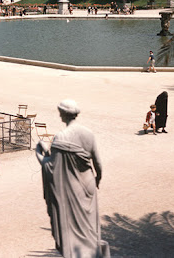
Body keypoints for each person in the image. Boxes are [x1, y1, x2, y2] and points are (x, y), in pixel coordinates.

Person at [36, 99, 110, 258]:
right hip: (89, 183)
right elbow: (98, 163)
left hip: (73, 187)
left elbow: (51, 167)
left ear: (62, 114)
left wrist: (38, 153)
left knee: (73, 226)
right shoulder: (88, 133)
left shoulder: (61, 137)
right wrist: (98, 179)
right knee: (90, 226)